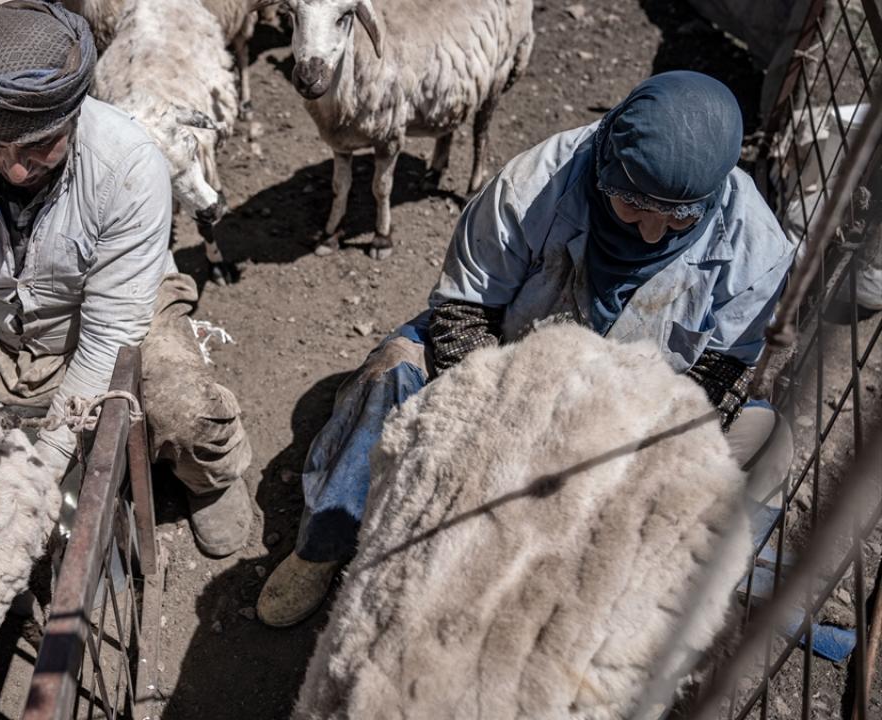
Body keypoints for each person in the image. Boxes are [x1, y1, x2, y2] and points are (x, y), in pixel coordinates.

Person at [256, 71, 798, 627]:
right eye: (633, 204)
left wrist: (624, 451)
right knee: (392, 370)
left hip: (636, 417)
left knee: (765, 440)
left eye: (681, 214)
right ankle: (325, 538)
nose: (653, 233)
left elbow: (723, 372)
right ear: (609, 166)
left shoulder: (757, 251)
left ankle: (674, 600)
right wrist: (511, 425)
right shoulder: (532, 185)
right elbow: (465, 313)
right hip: (508, 371)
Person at [0, 1, 253, 557]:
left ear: (74, 114)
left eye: (40, 145)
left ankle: (212, 476)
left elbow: (111, 333)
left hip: (118, 307)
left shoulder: (130, 166)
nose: (16, 169)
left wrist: (44, 461)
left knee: (186, 411)